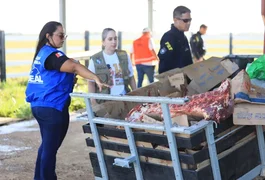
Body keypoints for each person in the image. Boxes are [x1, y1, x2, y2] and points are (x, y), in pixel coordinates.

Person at [25, 21, 108, 180]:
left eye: (65, 36)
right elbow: (74, 67)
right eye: (60, 35)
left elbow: (53, 78)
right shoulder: (52, 54)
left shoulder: (42, 54)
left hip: (40, 106)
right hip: (52, 108)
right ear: (48, 36)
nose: (63, 39)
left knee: (46, 148)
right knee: (49, 151)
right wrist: (94, 77)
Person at [88, 28, 137, 104]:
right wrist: (93, 101)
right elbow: (91, 82)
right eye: (110, 39)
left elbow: (131, 77)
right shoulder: (95, 59)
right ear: (103, 42)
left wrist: (136, 96)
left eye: (115, 38)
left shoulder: (124, 55)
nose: (114, 42)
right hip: (105, 102)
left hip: (124, 99)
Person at [158, 6, 193, 74]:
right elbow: (166, 64)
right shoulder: (168, 37)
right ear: (175, 20)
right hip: (175, 80)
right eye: (185, 20)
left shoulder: (183, 37)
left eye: (190, 20)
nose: (188, 23)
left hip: (186, 79)